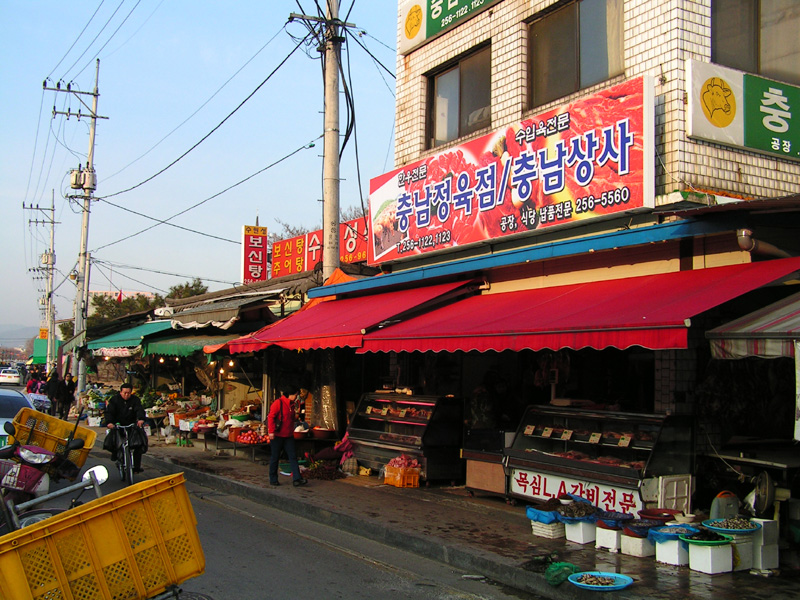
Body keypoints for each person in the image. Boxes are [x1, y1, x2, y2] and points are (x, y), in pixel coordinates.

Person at [267, 383, 307, 487]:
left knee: (293, 457)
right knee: (275, 457)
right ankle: (273, 478)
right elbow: (271, 417)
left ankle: (297, 479)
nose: (296, 397)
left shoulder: (292, 405)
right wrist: (271, 432)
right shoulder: (278, 403)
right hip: (277, 435)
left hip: (288, 435)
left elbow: (292, 418)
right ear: (290, 394)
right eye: (295, 395)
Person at [102, 383, 146, 473]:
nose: (127, 395)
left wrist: (140, 419)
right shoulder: (114, 400)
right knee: (113, 441)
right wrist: (110, 422)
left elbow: (139, 409)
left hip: (131, 426)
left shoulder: (135, 400)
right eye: (125, 393)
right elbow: (109, 412)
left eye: (129, 393)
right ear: (121, 392)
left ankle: (136, 467)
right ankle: (116, 455)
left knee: (139, 443)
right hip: (118, 425)